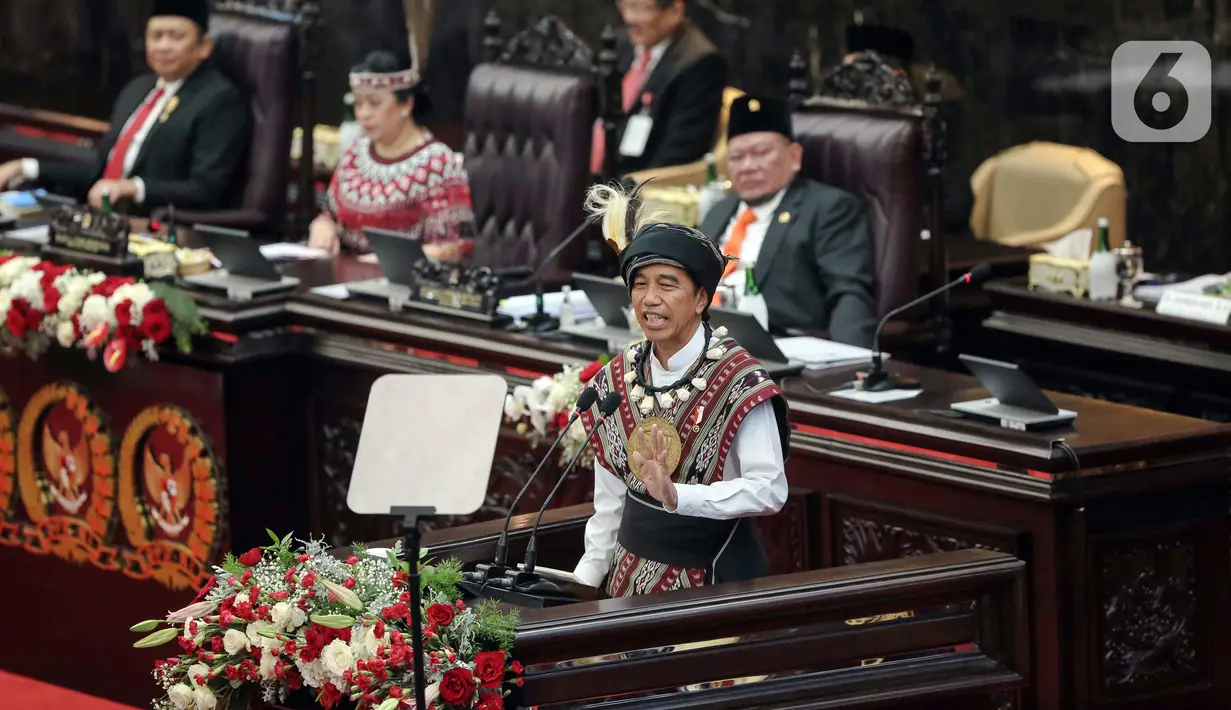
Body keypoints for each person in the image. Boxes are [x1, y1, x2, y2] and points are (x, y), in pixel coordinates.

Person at [572, 182, 790, 598]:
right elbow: (609, 504)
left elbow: (770, 488)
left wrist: (679, 496)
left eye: (667, 285)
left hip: (715, 583)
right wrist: (584, 582)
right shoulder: (616, 380)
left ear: (702, 298)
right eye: (639, 285)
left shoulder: (739, 382)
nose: (650, 299)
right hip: (628, 584)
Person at [0, 0, 252, 215]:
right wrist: (26, 166)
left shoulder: (220, 99)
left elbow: (205, 189)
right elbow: (99, 172)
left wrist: (133, 187)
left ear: (204, 46)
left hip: (154, 225)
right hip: (100, 218)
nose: (163, 46)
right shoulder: (137, 89)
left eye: (175, 37)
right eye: (155, 36)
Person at [699, 96, 877, 347]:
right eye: (737, 157)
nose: (747, 166)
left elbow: (850, 292)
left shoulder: (828, 208)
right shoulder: (720, 210)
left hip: (776, 346)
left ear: (794, 156)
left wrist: (850, 363)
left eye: (761, 153)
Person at [308, 51, 475, 261]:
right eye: (358, 104)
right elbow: (330, 213)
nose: (364, 113)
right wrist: (323, 226)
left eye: (375, 103)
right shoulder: (355, 154)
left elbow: (455, 248)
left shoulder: (438, 164)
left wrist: (388, 260)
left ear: (406, 105)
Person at [591, 0, 727, 176]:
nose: (630, 18)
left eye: (643, 8)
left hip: (635, 184)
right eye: (626, 6)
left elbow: (676, 156)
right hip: (589, 174)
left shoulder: (699, 64)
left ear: (675, 10)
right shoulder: (620, 44)